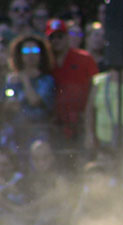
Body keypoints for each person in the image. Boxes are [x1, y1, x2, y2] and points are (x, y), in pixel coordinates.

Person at [48, 18, 99, 153]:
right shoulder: (45, 62)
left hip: (81, 120)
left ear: (67, 37)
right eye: (52, 37)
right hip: (55, 124)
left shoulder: (84, 58)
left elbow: (96, 87)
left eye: (60, 36)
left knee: (82, 157)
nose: (56, 41)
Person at [4, 33, 56, 157]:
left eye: (35, 50)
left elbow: (35, 101)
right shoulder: (12, 80)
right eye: (26, 50)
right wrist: (9, 103)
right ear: (20, 54)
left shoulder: (47, 80)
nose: (30, 54)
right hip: (16, 132)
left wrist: (24, 79)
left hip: (39, 132)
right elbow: (6, 103)